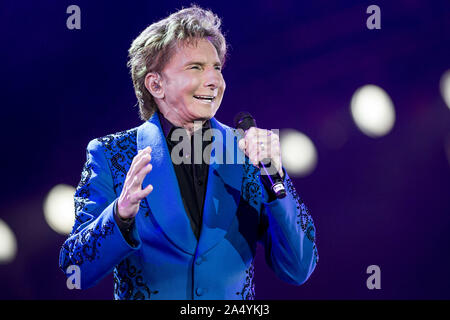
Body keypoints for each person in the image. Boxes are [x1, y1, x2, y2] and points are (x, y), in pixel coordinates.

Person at [59, 5, 318, 300]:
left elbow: (299, 268)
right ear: (156, 84)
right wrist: (120, 215)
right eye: (196, 67)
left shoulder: (246, 153)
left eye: (217, 68)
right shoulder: (112, 154)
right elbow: (74, 270)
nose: (214, 81)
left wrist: (276, 178)